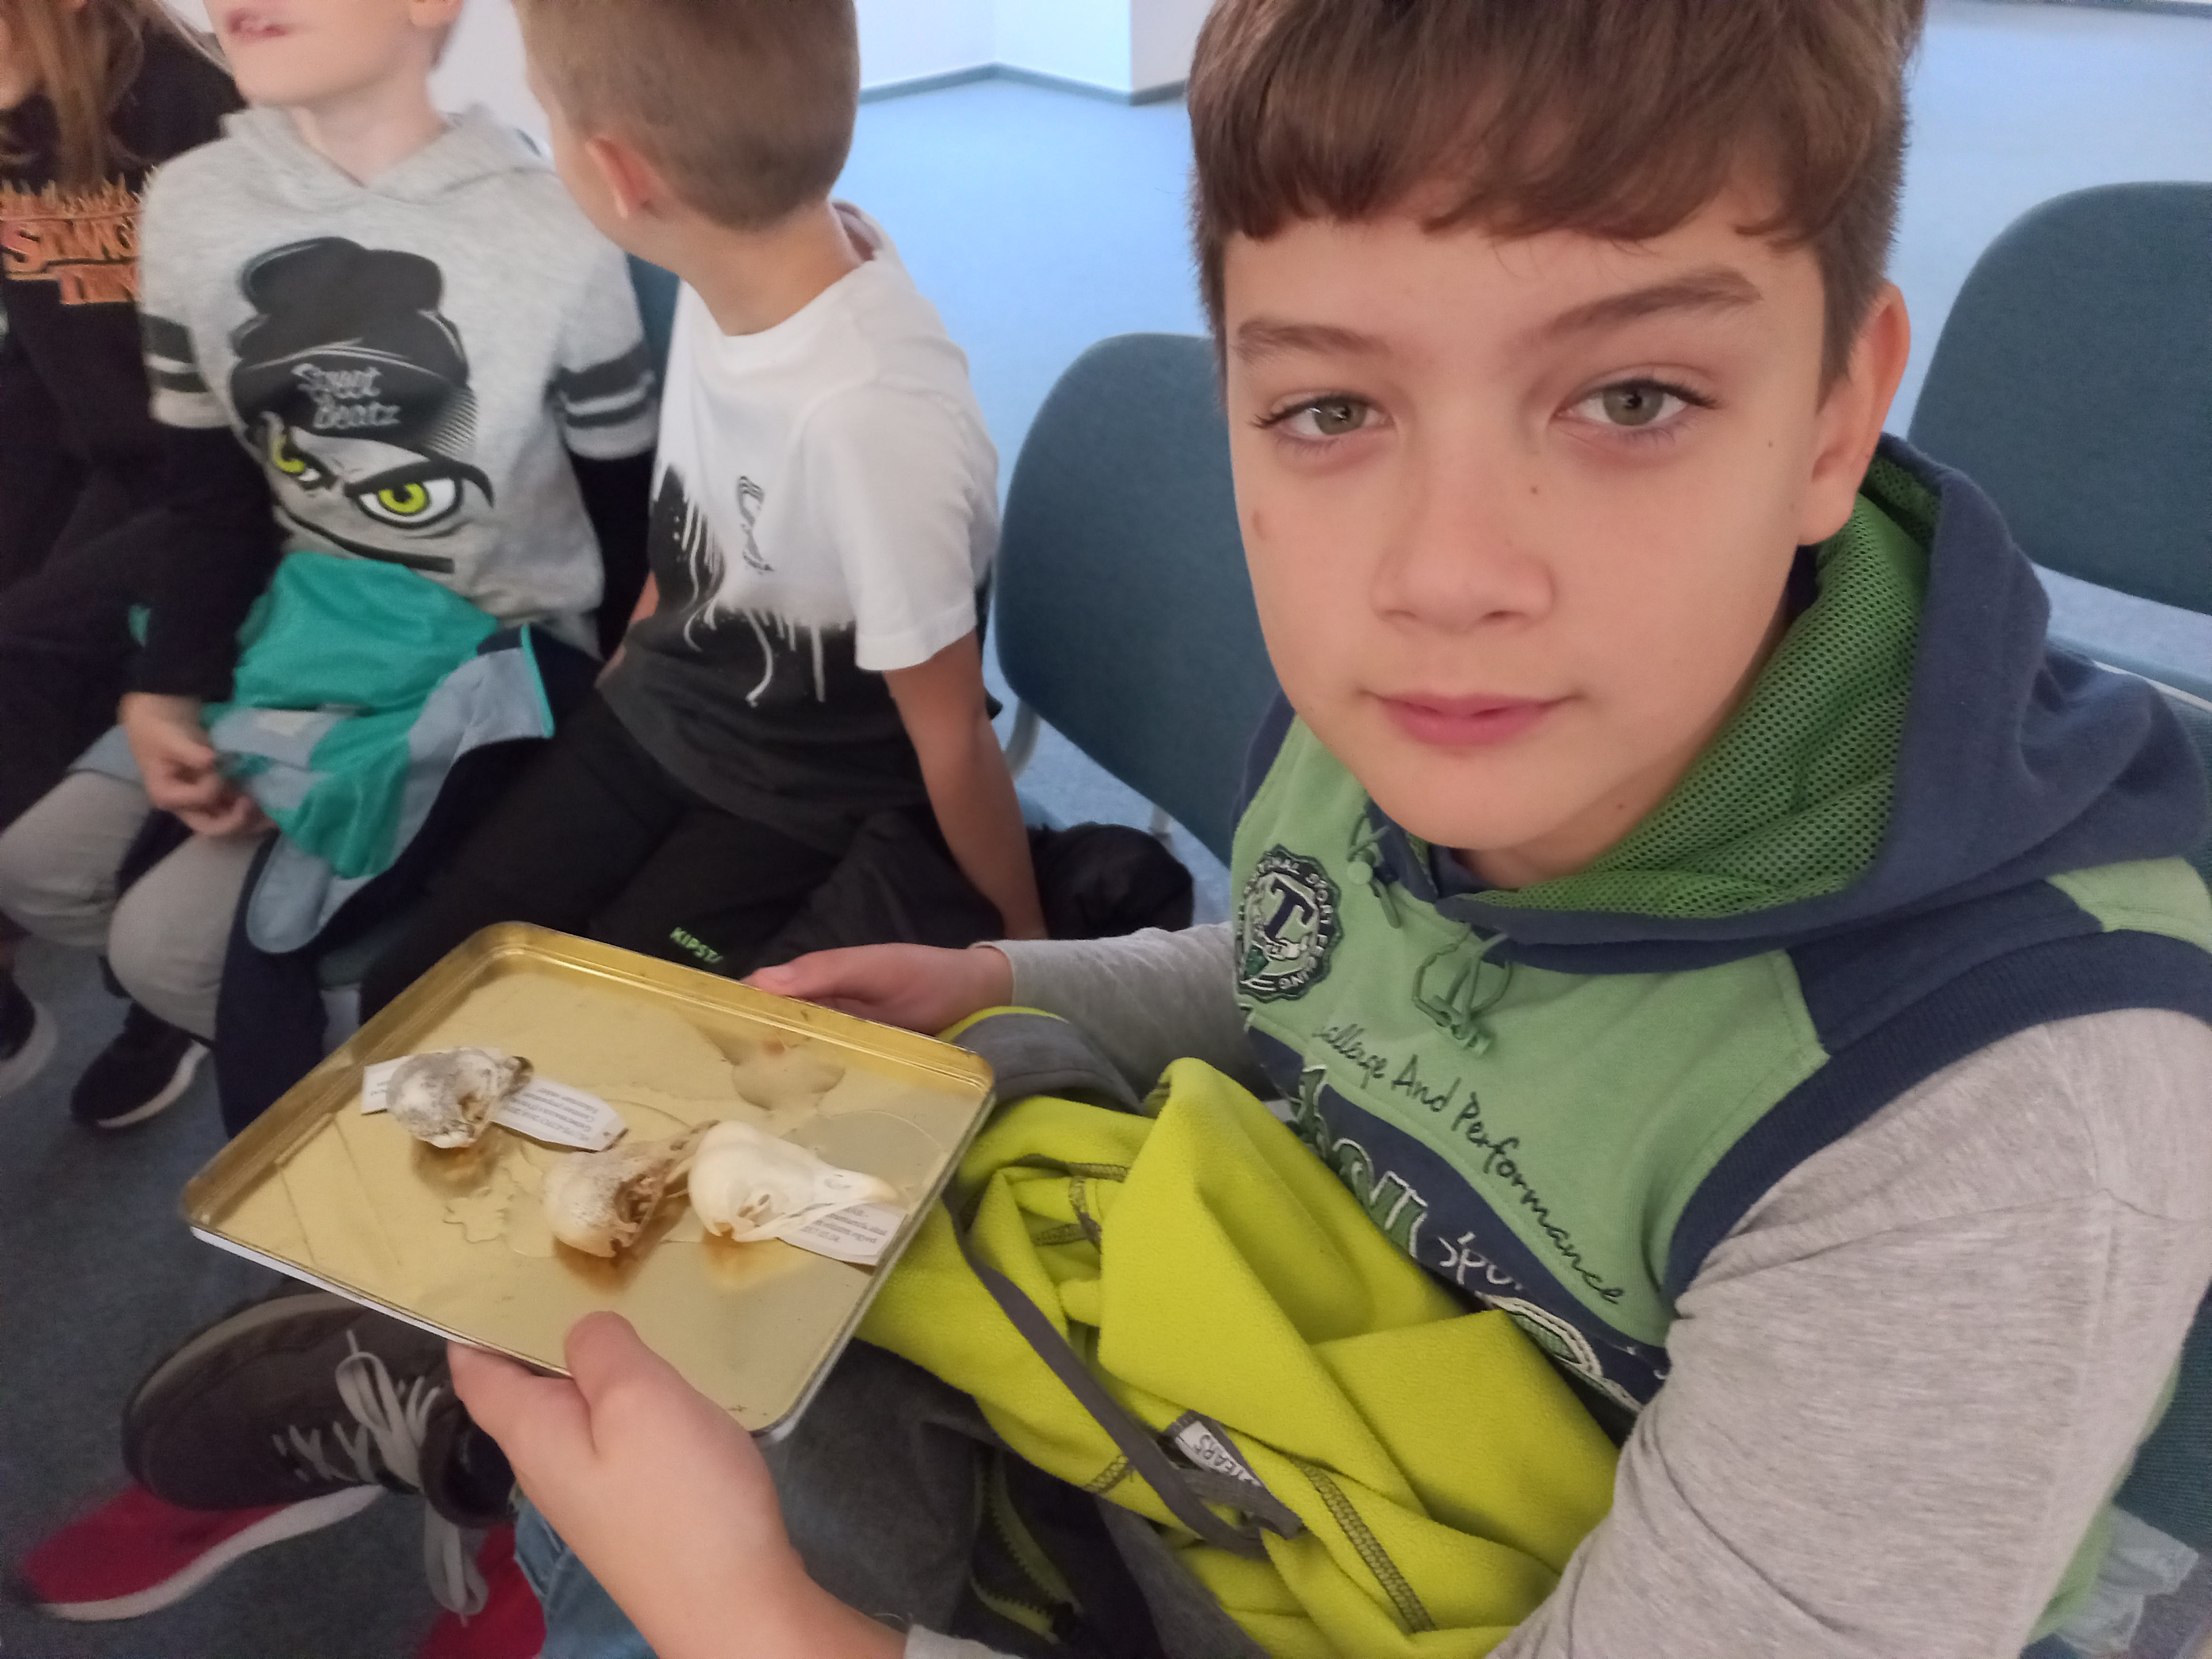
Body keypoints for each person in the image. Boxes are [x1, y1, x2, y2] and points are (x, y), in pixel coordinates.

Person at [109, 0, 2212, 1654]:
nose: (1444, 572)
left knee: (696, 1499)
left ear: (1838, 413)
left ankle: (536, 1461)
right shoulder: (1432, 723)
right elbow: (1324, 962)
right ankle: (533, 1419)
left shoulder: (1991, 1124)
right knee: (804, 1168)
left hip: (1456, 1569)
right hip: (1270, 1379)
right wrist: (1009, 970)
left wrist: (776, 1634)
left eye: (1631, 398)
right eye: (1329, 408)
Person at [0, 0, 658, 1130]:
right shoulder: (195, 204)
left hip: (496, 652)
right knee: (39, 867)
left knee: (168, 949)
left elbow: (627, 522)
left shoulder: (550, 223)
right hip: (307, 620)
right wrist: (172, 686)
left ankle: (416, 1128)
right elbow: (213, 497)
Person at [352, 0, 1041, 1016]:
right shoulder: (733, 270)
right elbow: (692, 531)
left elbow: (952, 738)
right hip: (662, 711)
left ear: (621, 175)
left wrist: (1025, 942)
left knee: (589, 1053)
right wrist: (622, 679)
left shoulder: (868, 417)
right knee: (416, 996)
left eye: (548, 120)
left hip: (798, 795)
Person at [0, 0, 236, 1106]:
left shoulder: (180, 95)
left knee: (35, 650)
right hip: (92, 446)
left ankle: (165, 1000)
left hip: (214, 465)